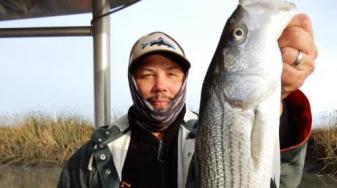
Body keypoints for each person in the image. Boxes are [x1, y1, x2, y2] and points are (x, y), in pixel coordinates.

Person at [57, 13, 317, 188]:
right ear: (132, 81)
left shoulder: (213, 130)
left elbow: (278, 177)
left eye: (172, 74)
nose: (161, 86)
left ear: (184, 80)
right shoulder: (93, 157)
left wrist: (278, 100)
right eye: (148, 75)